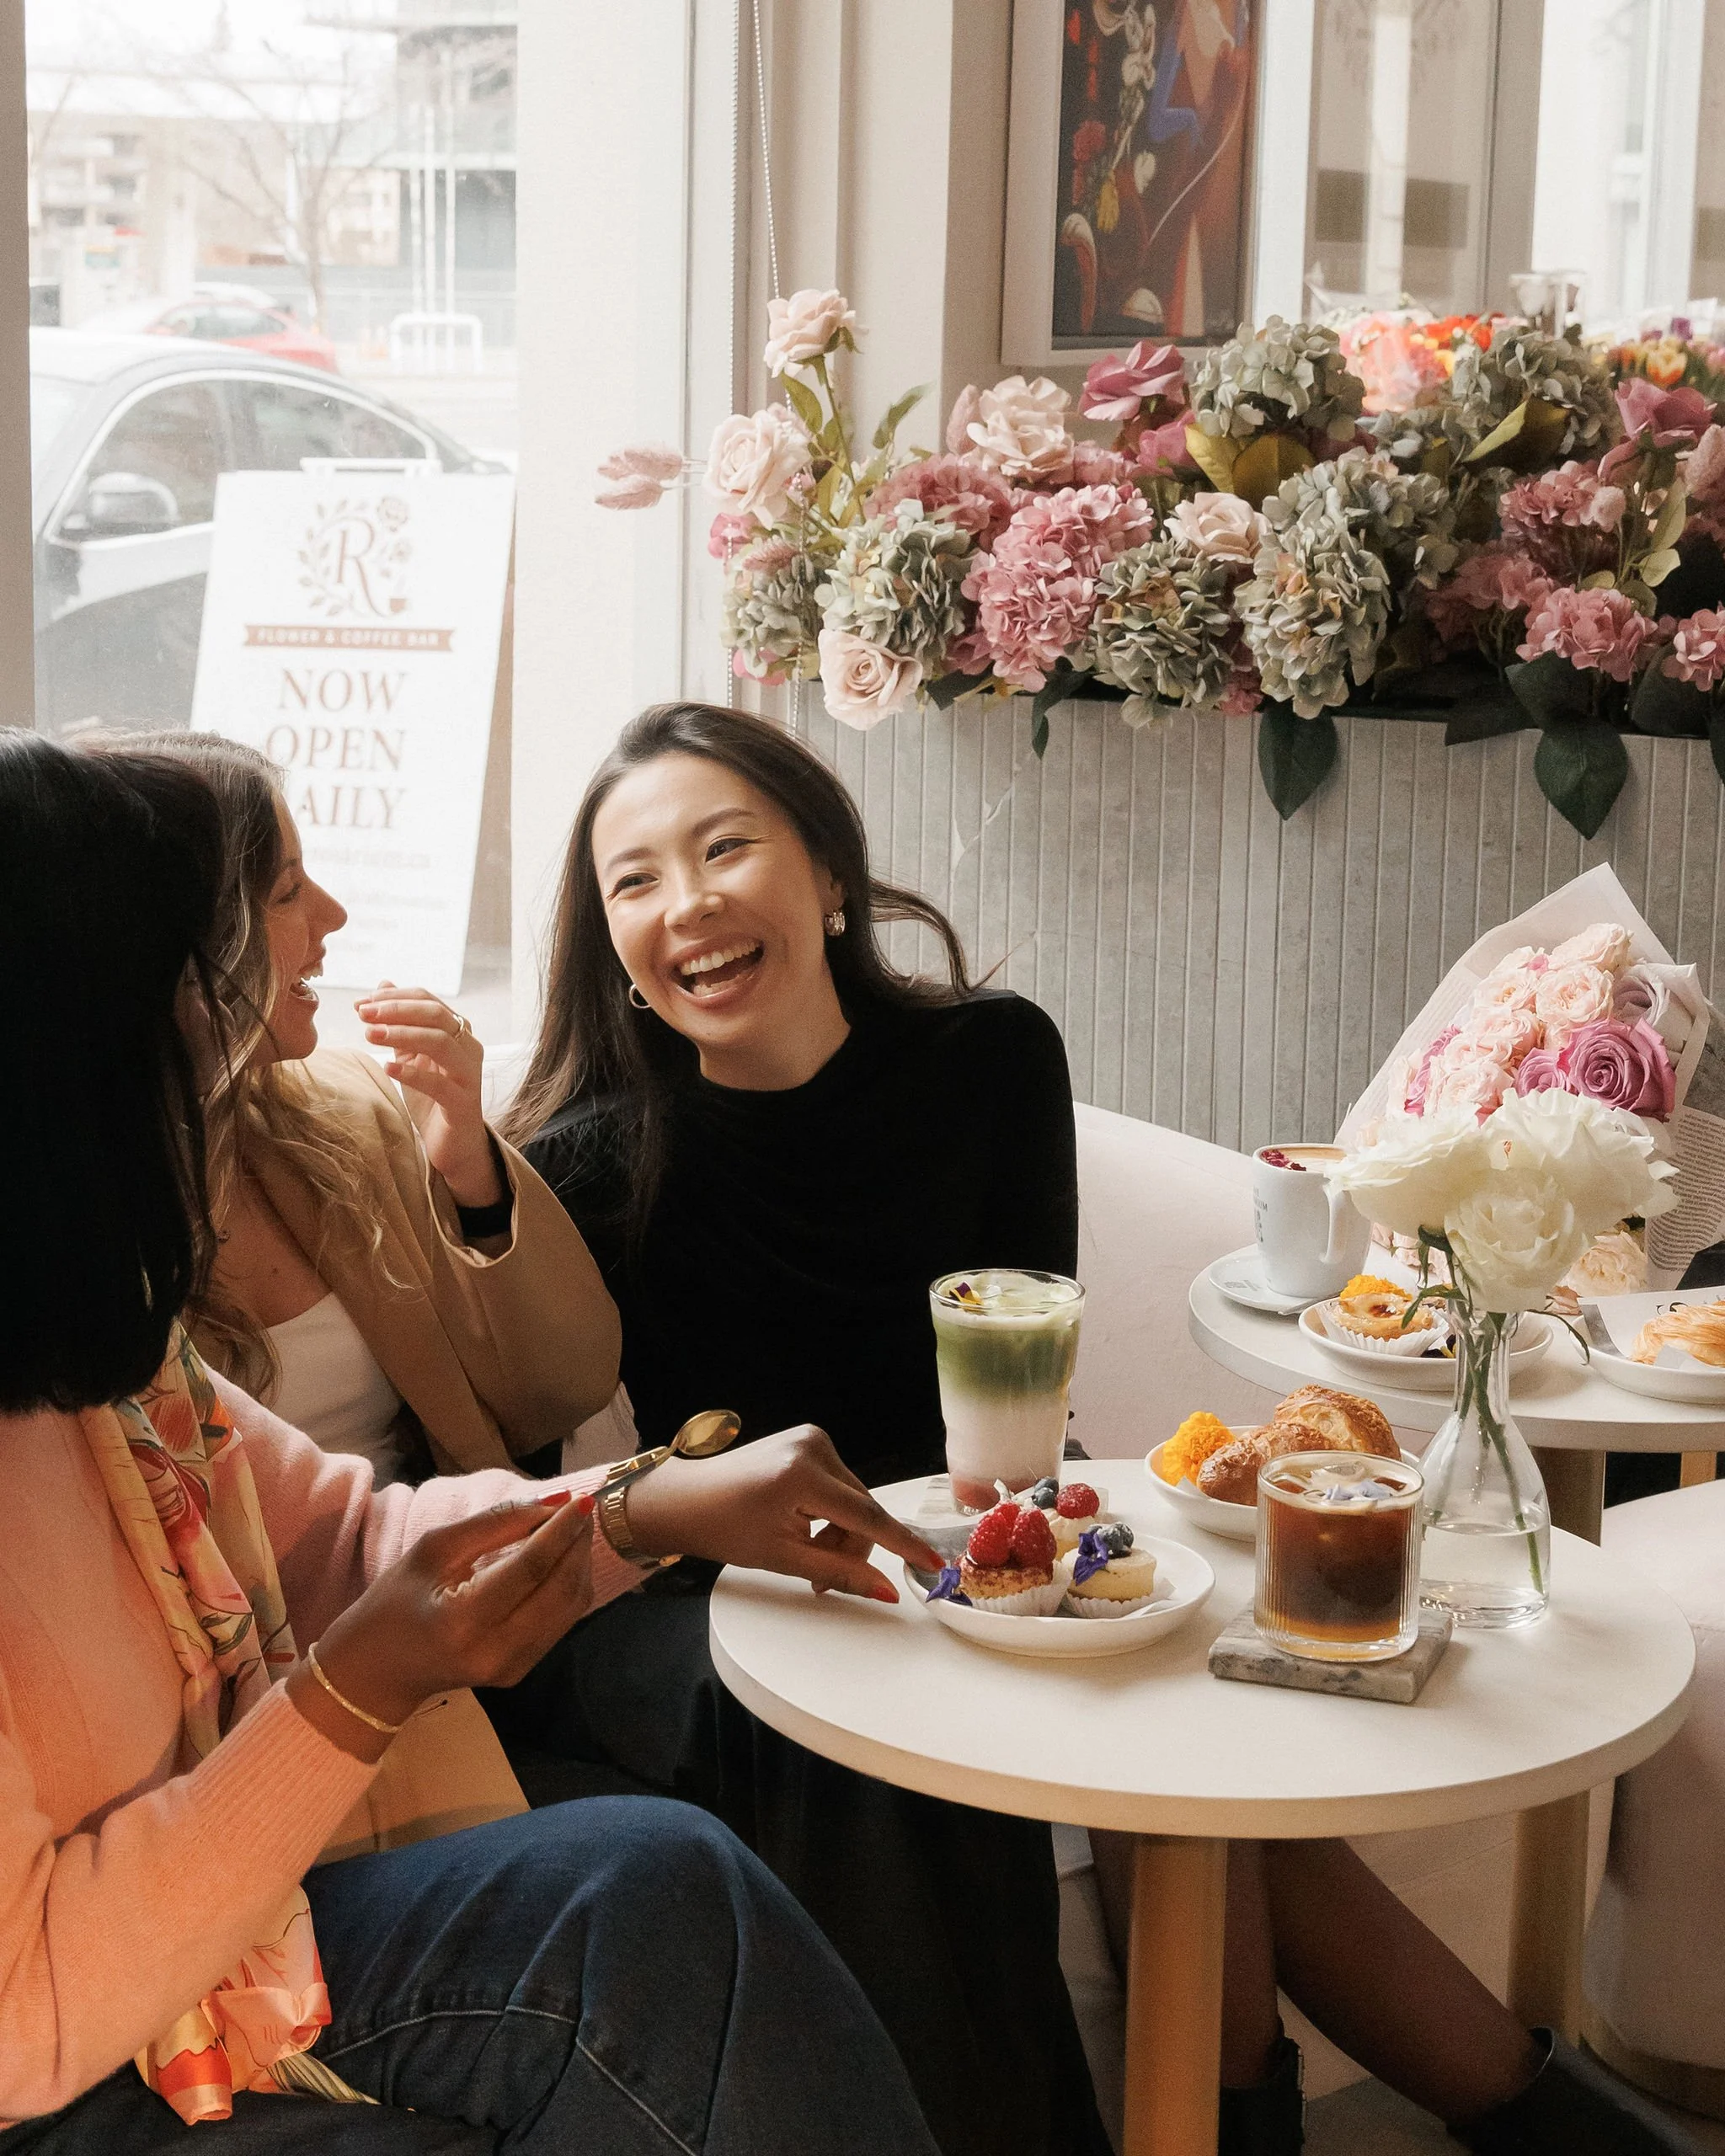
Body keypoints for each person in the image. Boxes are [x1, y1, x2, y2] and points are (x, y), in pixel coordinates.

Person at [504, 701, 1701, 2156]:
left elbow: (1025, 1366)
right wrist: (467, 1202)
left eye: (722, 847)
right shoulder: (584, 1160)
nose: (683, 901)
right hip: (763, 1585)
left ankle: (1327, 2127)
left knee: (1191, 1750)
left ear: (826, 873)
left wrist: (1032, 1548)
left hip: (996, 1525)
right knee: (1075, 1749)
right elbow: (514, 1446)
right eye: (633, 879)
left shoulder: (988, 1060)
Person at [0, 728, 948, 2155]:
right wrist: (357, 1688)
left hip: (209, 1939)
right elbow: (29, 2019)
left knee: (654, 1883)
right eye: (203, 991)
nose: (237, 1031)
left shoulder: (110, 1350)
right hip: (60, 2052)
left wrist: (654, 1504)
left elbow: (348, 1535)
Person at [85, 732, 617, 1484]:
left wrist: (470, 1168)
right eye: (288, 891)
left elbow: (559, 1389)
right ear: (172, 948)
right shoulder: (64, 1218)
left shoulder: (348, 1111)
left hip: (442, 1566)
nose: (333, 915)